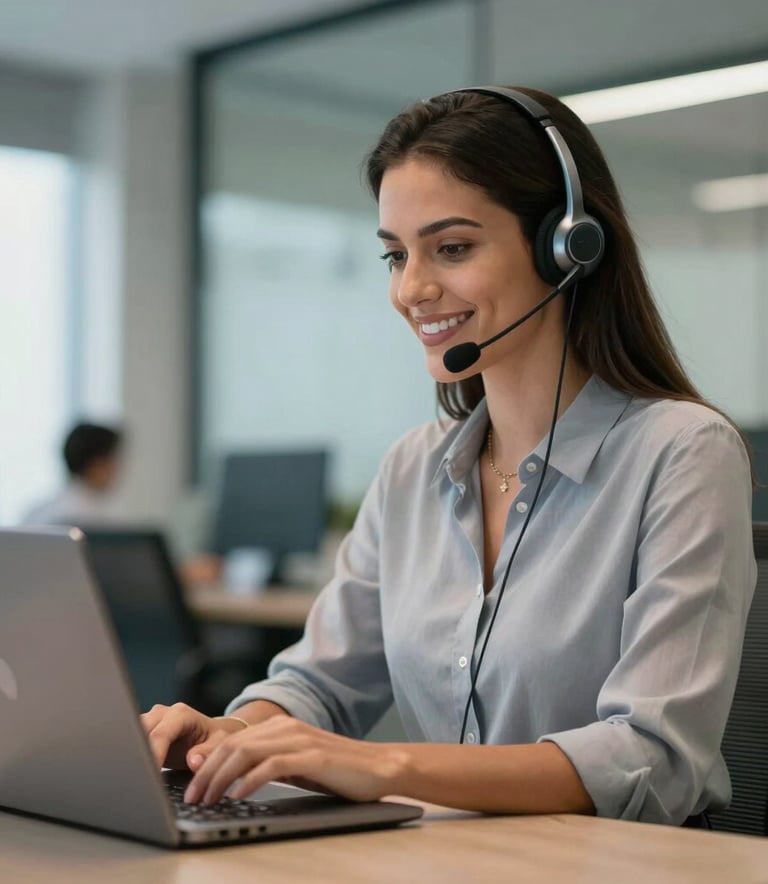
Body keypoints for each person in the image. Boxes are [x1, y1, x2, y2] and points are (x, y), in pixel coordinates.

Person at [142, 86, 756, 825]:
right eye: (396, 255)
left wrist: (388, 765)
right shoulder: (412, 468)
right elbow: (322, 683)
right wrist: (231, 734)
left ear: (567, 245)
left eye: (452, 248)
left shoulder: (682, 454)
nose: (412, 288)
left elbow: (654, 758)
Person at [23, 421, 124, 526]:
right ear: (95, 464)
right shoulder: (88, 520)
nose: (117, 468)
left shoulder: (37, 512)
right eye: (112, 460)